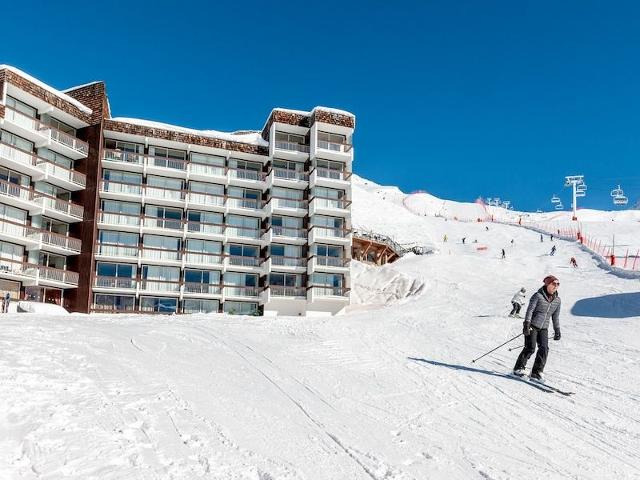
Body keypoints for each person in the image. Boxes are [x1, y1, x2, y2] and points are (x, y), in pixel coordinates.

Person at [513, 275, 561, 381]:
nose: (556, 286)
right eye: (554, 284)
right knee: (530, 347)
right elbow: (530, 310)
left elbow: (555, 316)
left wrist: (557, 330)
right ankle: (518, 368)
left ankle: (536, 372)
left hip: (544, 328)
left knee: (544, 349)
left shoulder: (557, 300)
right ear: (547, 284)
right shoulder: (537, 296)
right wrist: (526, 324)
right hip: (532, 325)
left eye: (558, 284)